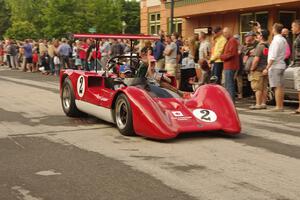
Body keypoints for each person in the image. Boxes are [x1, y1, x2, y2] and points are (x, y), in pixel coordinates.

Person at [263, 23, 288, 112]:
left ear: (274, 29)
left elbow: (273, 56)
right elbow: (285, 53)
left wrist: (267, 68)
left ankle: (278, 106)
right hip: (281, 64)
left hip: (275, 66)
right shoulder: (283, 40)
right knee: (280, 87)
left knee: (276, 87)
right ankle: (280, 105)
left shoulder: (275, 40)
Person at [249, 30, 270, 109]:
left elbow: (256, 59)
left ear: (261, 37)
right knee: (264, 87)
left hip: (258, 69)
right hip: (265, 69)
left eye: (258, 35)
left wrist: (252, 68)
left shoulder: (260, 46)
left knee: (257, 87)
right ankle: (263, 103)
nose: (257, 36)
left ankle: (258, 104)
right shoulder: (268, 45)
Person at [220, 27, 239, 102]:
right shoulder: (230, 40)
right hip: (228, 65)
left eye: (225, 33)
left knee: (229, 84)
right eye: (223, 33)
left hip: (230, 65)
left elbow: (231, 53)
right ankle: (229, 100)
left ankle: (230, 101)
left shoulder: (232, 40)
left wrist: (221, 56)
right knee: (228, 83)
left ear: (229, 32)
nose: (224, 34)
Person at [291, 19, 300, 114]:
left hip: (299, 64)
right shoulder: (297, 37)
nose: (292, 28)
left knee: (299, 87)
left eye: (293, 26)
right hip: (297, 64)